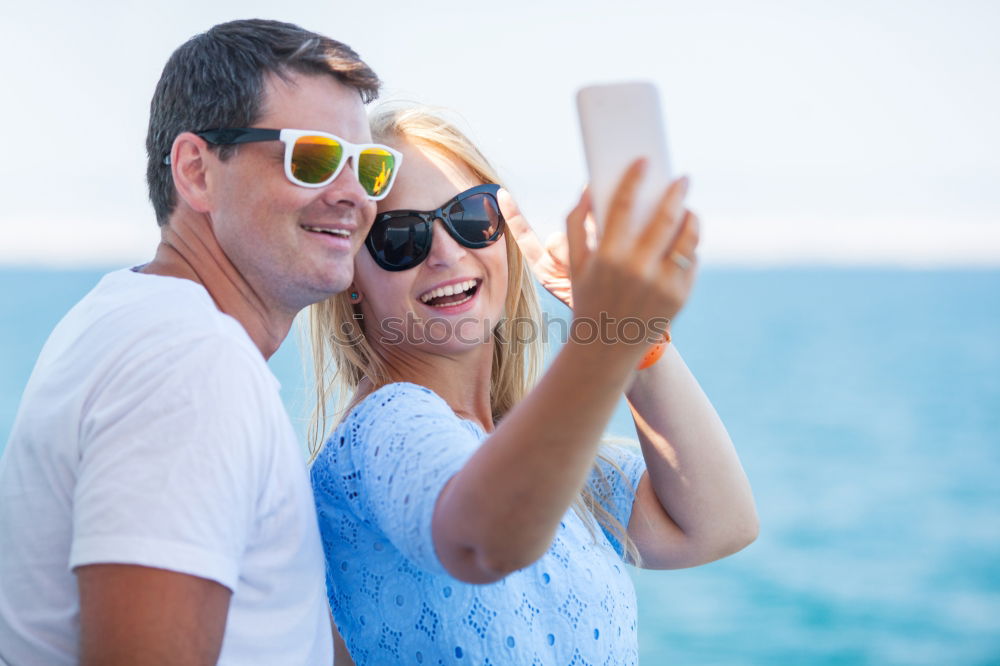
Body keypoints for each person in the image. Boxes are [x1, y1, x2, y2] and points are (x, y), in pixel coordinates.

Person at [0, 19, 400, 665]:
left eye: (371, 167)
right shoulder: (192, 363)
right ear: (195, 170)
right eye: (315, 158)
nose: (353, 193)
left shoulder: (136, 319)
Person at [309, 105, 759, 665]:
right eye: (400, 238)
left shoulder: (521, 453)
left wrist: (638, 337)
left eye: (471, 217)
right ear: (351, 277)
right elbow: (484, 532)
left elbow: (719, 525)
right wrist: (604, 338)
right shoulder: (390, 422)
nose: (448, 252)